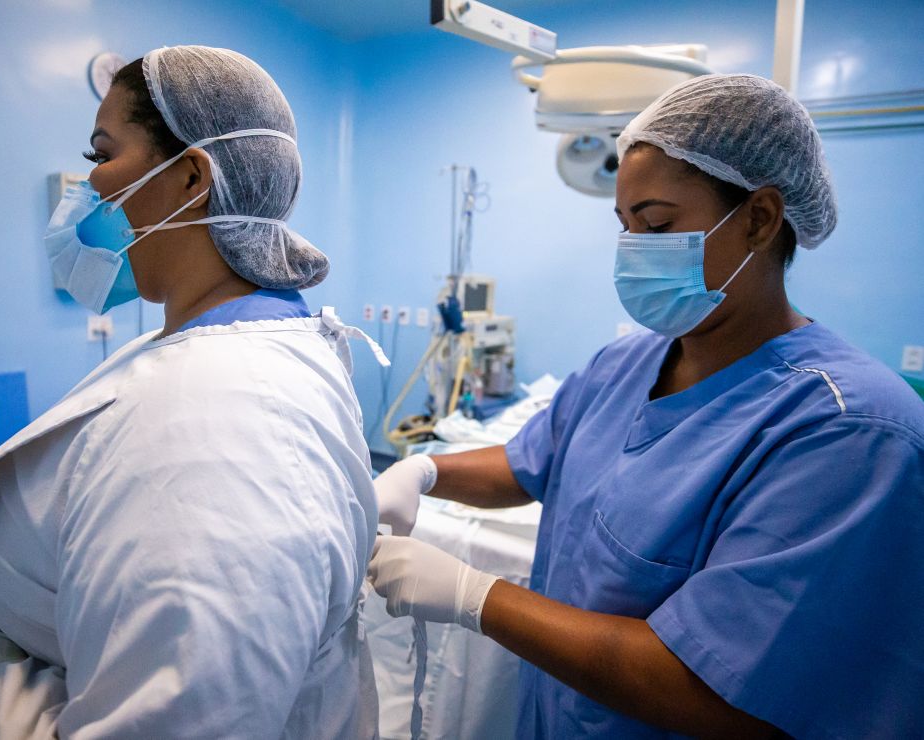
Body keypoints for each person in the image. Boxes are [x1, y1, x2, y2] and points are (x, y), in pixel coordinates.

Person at [369, 74, 924, 738]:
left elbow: (716, 689)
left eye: (657, 223)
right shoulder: (627, 363)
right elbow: (532, 463)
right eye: (625, 223)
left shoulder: (847, 432)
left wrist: (475, 597)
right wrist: (426, 473)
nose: (633, 246)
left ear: (760, 218)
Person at [0, 45, 384, 738]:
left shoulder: (213, 425)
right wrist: (17, 539)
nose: (86, 188)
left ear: (189, 178)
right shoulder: (233, 345)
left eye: (100, 155)